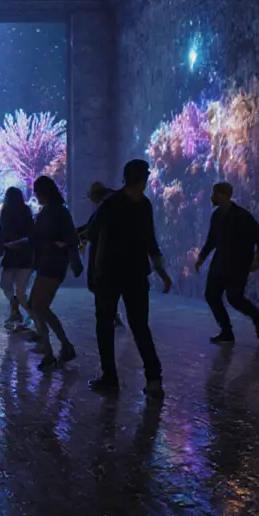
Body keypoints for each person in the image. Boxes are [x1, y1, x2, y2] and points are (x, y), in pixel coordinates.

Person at [85, 159, 172, 394]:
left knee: (105, 325)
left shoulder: (111, 203)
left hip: (109, 274)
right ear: (143, 180)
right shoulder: (144, 205)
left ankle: (110, 378)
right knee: (139, 326)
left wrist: (91, 271)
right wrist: (161, 271)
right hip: (133, 275)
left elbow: (91, 235)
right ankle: (154, 379)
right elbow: (150, 240)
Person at [196, 182, 259, 343]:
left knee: (234, 297)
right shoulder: (216, 216)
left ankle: (258, 317)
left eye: (214, 193)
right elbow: (212, 240)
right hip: (220, 263)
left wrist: (258, 258)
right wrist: (202, 257)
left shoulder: (243, 216)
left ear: (222, 195)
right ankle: (226, 331)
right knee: (211, 295)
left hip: (238, 264)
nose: (211, 197)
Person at [27, 177, 83, 370]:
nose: (36, 197)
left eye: (38, 193)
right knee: (36, 306)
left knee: (39, 305)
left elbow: (71, 239)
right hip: (45, 263)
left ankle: (55, 349)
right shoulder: (47, 213)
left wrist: (64, 246)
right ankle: (59, 347)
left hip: (54, 264)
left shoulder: (59, 213)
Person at [79, 181, 126, 331]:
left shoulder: (106, 204)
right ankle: (113, 315)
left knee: (102, 287)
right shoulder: (110, 201)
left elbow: (92, 228)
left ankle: (110, 316)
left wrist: (79, 235)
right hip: (112, 254)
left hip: (105, 254)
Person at [0, 186, 35, 332]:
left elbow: (30, 234)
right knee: (6, 284)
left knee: (19, 290)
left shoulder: (24, 212)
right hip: (13, 255)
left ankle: (32, 317)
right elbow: (1, 232)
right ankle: (16, 307)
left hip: (23, 255)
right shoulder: (5, 213)